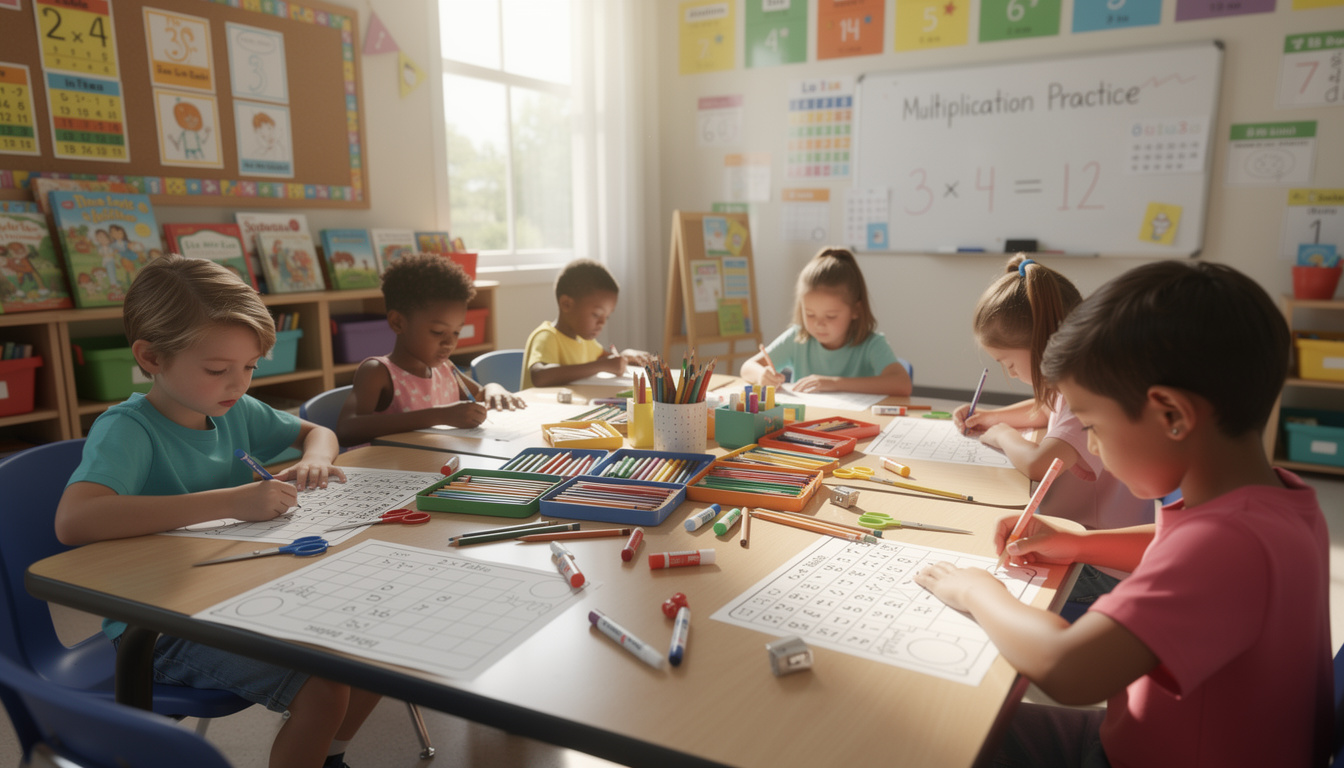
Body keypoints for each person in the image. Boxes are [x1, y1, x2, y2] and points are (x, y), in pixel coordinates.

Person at [915, 260, 1331, 768]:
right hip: (1144, 736)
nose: (1090, 444)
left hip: (1142, 756)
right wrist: (1079, 543)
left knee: (939, 740)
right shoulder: (1274, 503)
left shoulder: (1228, 546)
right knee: (955, 724)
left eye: (1091, 424)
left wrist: (978, 592)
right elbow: (1169, 541)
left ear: (1172, 415)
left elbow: (1067, 668)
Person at [54, 255, 378, 768]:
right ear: (152, 357)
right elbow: (75, 520)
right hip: (156, 626)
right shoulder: (127, 429)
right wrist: (230, 501)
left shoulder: (234, 410)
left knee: (371, 645)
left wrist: (316, 458)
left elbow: (317, 431)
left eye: (249, 367)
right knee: (323, 686)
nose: (239, 384)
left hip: (232, 594)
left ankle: (329, 759)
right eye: (217, 370)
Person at [954, 255, 1154, 533]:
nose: (1010, 373)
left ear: (1041, 344)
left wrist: (1002, 433)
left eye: (1009, 363)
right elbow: (1048, 409)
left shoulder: (1089, 391)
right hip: (1075, 534)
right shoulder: (1078, 376)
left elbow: (1039, 465)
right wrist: (991, 417)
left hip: (1094, 549)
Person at [337, 254, 524, 446]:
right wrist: (439, 416)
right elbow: (346, 429)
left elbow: (479, 394)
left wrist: (494, 389)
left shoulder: (445, 368)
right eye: (438, 332)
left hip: (437, 467)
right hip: (393, 472)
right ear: (398, 322)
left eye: (457, 332)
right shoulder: (378, 372)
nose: (449, 343)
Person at [740, 247, 911, 396]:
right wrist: (762, 375)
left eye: (831, 316)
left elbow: (902, 384)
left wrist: (835, 383)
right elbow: (747, 367)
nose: (819, 324)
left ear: (856, 310)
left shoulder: (872, 344)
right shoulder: (798, 338)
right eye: (810, 314)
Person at [522, 258, 650, 389]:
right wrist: (602, 365)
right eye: (596, 315)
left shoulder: (585, 341)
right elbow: (540, 376)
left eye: (607, 317)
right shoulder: (547, 336)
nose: (602, 323)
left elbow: (609, 359)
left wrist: (625, 356)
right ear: (566, 304)